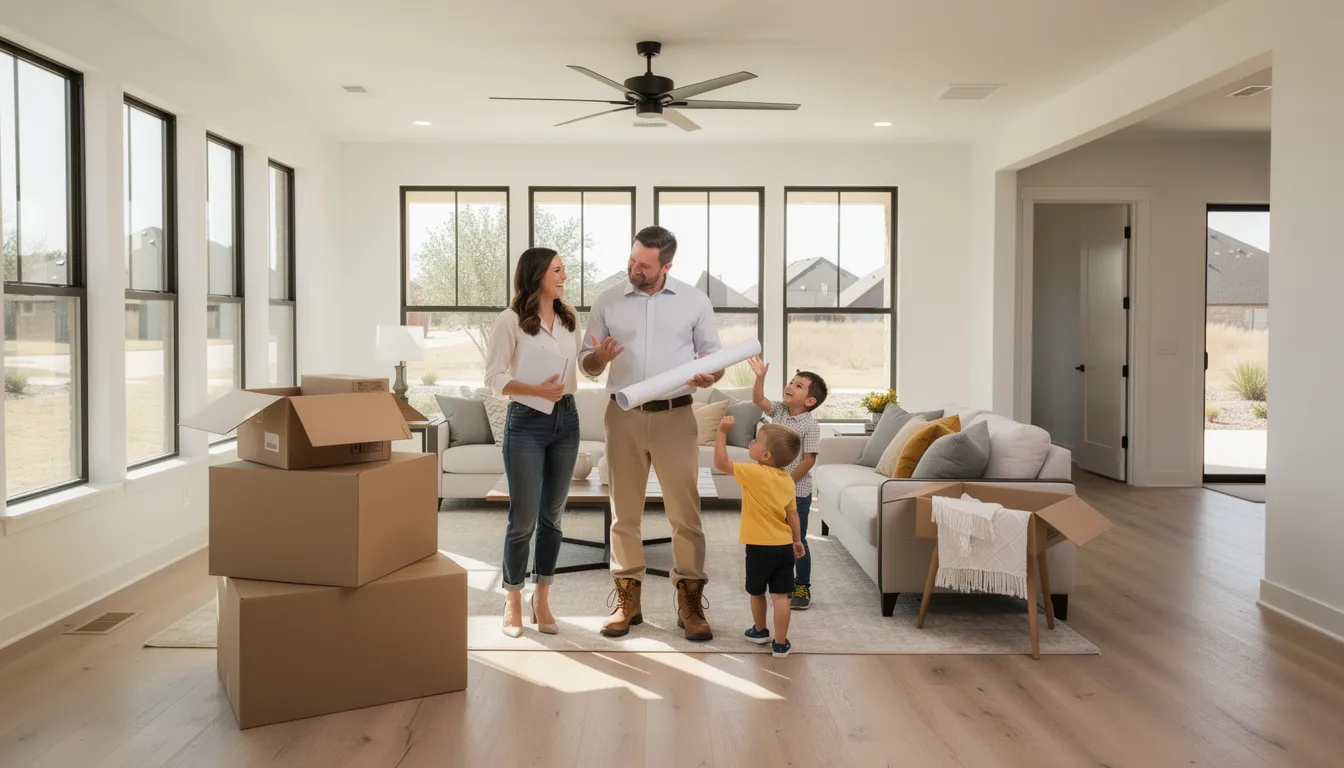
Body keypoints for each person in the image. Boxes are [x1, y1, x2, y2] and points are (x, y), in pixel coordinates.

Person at [580, 225, 724, 641]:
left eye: (644, 265)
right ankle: (628, 601)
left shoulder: (695, 301)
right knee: (624, 514)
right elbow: (587, 365)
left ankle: (690, 603)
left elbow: (715, 360)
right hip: (622, 417)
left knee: (686, 515)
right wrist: (598, 360)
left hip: (677, 417)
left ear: (667, 266)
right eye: (632, 260)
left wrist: (708, 374)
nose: (634, 269)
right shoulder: (608, 300)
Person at [484, 247, 583, 638]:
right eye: (557, 271)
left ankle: (541, 597)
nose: (564, 277)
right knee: (522, 519)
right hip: (525, 422)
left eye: (564, 271)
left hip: (567, 420)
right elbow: (493, 378)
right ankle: (512, 599)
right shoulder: (510, 321)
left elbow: (576, 373)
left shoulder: (569, 320)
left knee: (553, 517)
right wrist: (534, 389)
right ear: (538, 274)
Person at [713, 416, 805, 658]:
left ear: (766, 456)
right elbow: (792, 514)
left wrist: (722, 432)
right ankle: (781, 643)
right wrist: (797, 540)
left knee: (757, 592)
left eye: (756, 441)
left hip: (759, 547)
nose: (752, 442)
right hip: (784, 546)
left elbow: (721, 463)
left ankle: (760, 631)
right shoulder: (787, 480)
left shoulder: (754, 473)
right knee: (781, 595)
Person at [746, 356, 826, 609]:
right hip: (768, 492)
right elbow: (758, 399)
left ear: (810, 401)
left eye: (799, 386)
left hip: (796, 492)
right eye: (792, 381)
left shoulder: (810, 426)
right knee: (770, 537)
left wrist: (786, 483)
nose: (790, 386)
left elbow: (809, 460)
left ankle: (802, 584)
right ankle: (776, 580)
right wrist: (760, 377)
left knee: (795, 538)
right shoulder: (779, 409)